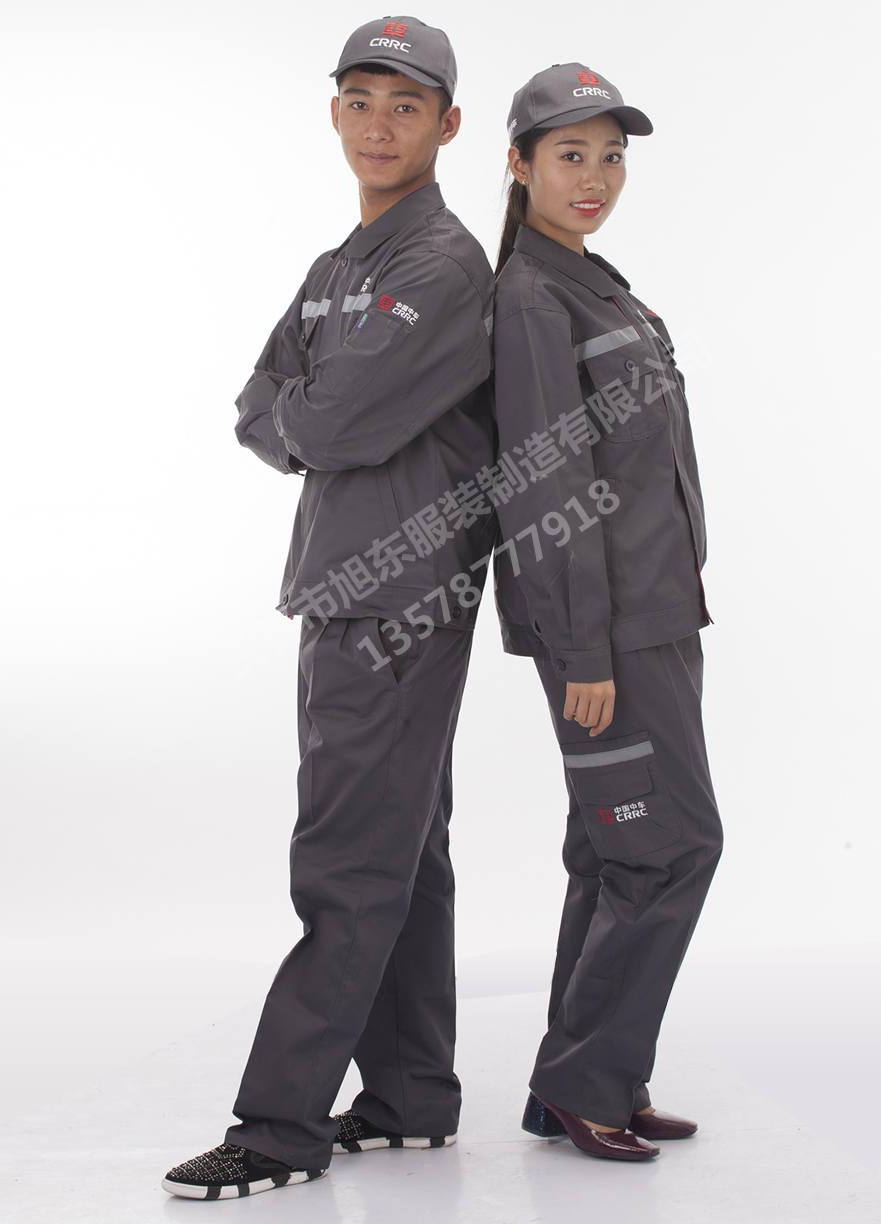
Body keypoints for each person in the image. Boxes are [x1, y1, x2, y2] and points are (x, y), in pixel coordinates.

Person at [162, 16, 497, 1199]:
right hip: (348, 586)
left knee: (347, 859)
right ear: (335, 113)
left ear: (448, 125)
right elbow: (254, 404)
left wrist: (308, 415)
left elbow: (331, 421)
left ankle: (279, 1129)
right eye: (359, 100)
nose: (378, 124)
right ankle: (410, 1095)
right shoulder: (336, 267)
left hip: (394, 595)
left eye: (405, 105)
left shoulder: (442, 266)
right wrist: (307, 413)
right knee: (404, 849)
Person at [490, 63, 724, 1162]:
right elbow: (544, 487)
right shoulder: (531, 300)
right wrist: (580, 648)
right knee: (667, 850)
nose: (595, 177)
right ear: (518, 164)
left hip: (659, 620)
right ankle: (586, 1082)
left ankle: (588, 1081)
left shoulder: (595, 283)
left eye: (611, 156)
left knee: (614, 853)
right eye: (569, 155)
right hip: (608, 636)